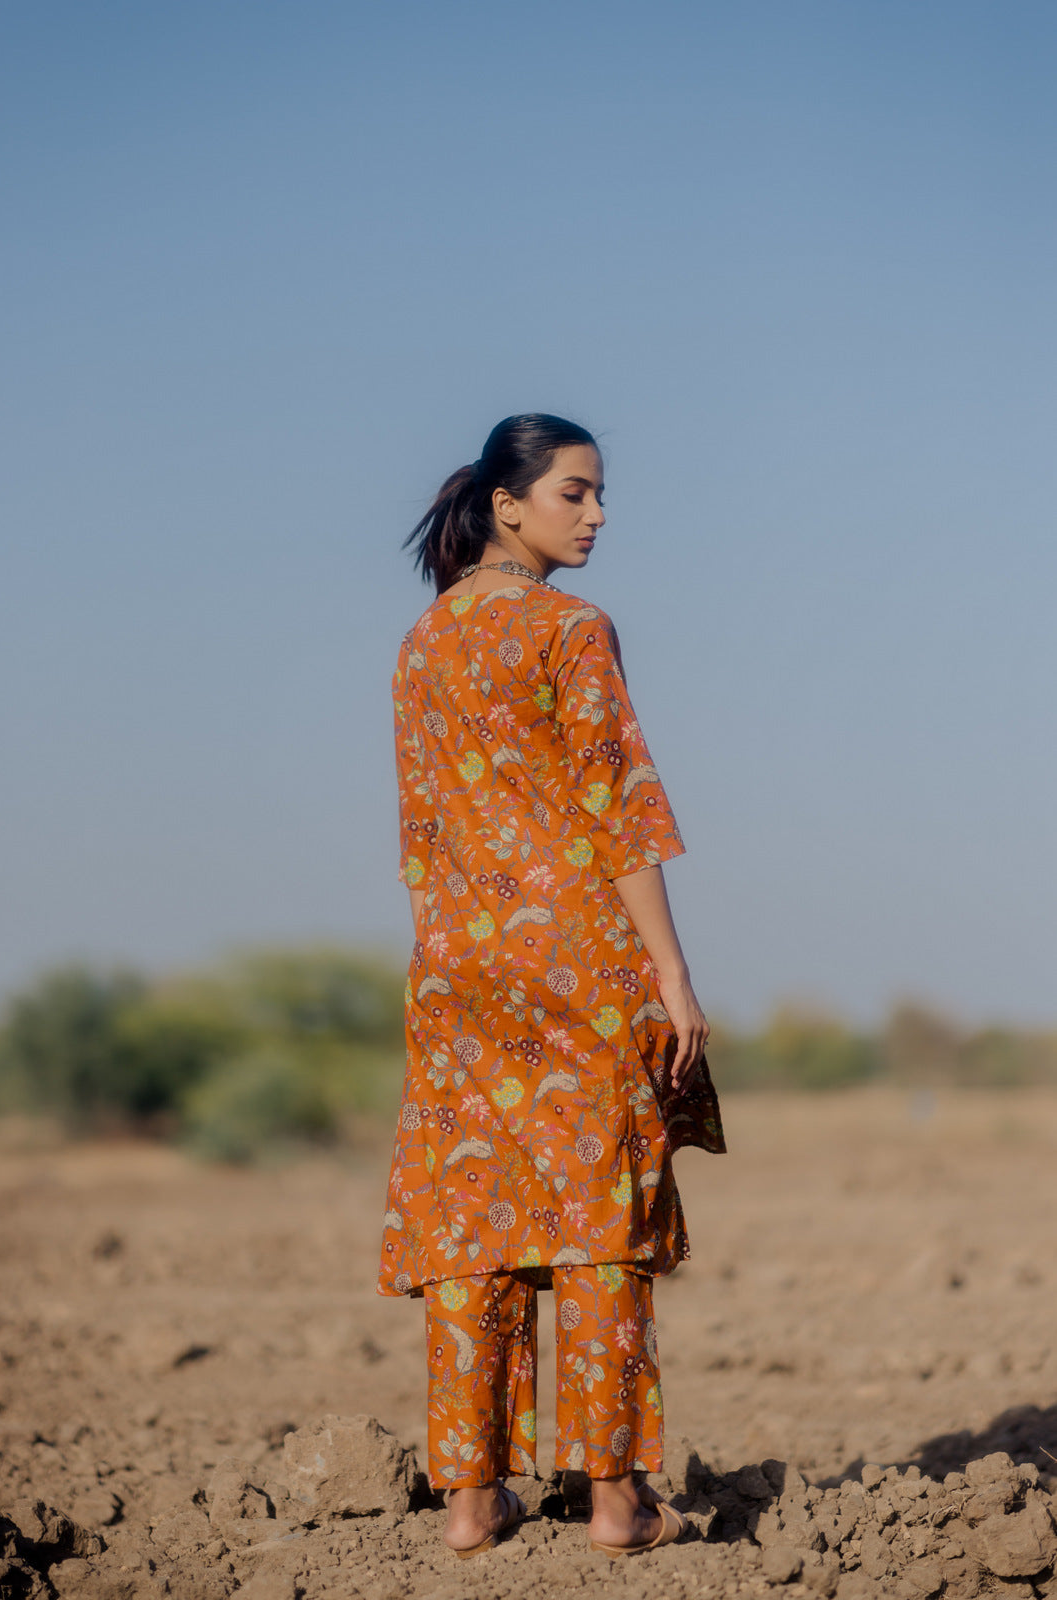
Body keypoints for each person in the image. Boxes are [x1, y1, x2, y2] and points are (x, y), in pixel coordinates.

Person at [378, 413, 725, 1558]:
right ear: (507, 503)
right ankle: (618, 1505)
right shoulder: (573, 628)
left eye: (599, 493)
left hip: (457, 969)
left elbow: (423, 831)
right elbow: (620, 808)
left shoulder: (423, 642)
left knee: (470, 1217)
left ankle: (473, 1502)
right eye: (576, 492)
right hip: (577, 961)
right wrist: (671, 969)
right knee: (598, 1218)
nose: (597, 514)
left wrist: (454, 951)